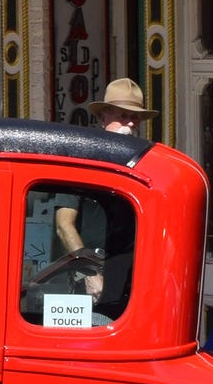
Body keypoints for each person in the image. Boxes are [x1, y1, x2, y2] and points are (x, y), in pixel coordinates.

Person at [50, 78, 153, 300]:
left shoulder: (142, 166)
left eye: (135, 117)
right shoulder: (82, 160)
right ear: (103, 117)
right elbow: (63, 224)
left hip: (130, 278)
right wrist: (89, 273)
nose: (131, 123)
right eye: (122, 115)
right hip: (89, 279)